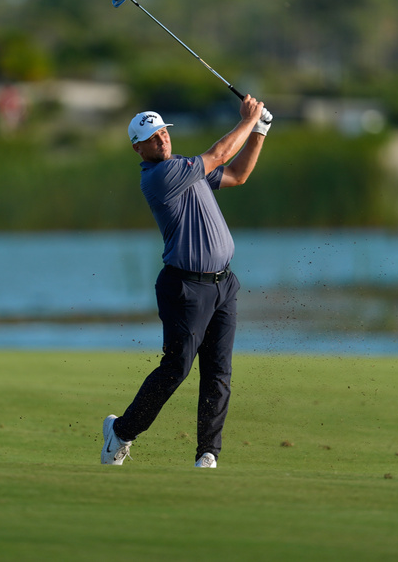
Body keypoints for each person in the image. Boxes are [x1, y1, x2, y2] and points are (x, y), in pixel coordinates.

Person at [102, 95, 273, 469]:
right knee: (177, 368)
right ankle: (121, 432)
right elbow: (218, 155)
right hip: (185, 288)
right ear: (138, 148)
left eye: (163, 131)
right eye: (152, 137)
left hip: (223, 284)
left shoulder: (184, 166)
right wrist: (247, 119)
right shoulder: (161, 176)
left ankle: (208, 453)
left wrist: (260, 129)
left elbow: (238, 174)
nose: (162, 139)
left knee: (218, 372)